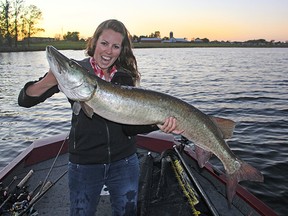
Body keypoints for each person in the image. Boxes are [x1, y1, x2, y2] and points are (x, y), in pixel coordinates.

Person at [18, 19, 180, 216]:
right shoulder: (75, 70)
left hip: (125, 161)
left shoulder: (124, 77)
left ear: (121, 50)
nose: (108, 51)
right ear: (94, 42)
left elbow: (129, 128)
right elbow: (25, 100)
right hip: (84, 163)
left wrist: (158, 123)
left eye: (115, 46)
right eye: (104, 43)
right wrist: (49, 80)